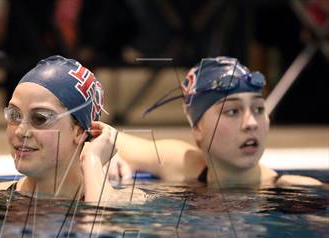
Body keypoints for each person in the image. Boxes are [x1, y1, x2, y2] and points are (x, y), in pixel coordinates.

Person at [115, 56, 322, 187]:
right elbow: (102, 135)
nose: (251, 123)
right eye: (232, 111)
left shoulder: (295, 190)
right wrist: (105, 155)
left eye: (259, 109)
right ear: (197, 129)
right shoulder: (185, 164)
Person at [0, 55, 142, 202]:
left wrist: (93, 161)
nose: (20, 131)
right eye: (14, 116)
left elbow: (99, 236)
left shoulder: (130, 200)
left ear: (80, 132)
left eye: (40, 118)